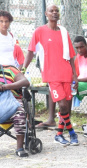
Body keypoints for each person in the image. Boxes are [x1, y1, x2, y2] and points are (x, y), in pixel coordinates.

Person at [22, 4, 79, 146]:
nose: (54, 13)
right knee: (63, 104)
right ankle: (72, 132)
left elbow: (71, 56)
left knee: (65, 106)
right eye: (51, 11)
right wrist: (23, 69)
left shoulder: (64, 31)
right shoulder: (39, 31)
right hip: (51, 75)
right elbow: (30, 52)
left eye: (56, 11)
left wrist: (75, 75)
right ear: (46, 14)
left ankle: (59, 134)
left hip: (66, 73)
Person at [0, 65, 30, 157]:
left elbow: (25, 82)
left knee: (19, 112)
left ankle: (20, 148)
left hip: (12, 101)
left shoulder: (9, 69)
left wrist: (4, 87)